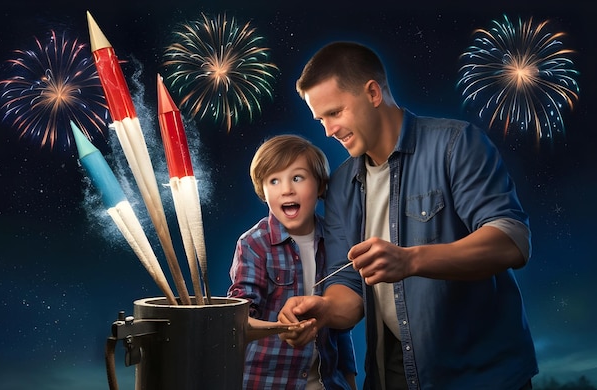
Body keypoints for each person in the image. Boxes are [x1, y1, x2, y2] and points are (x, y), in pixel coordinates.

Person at [277, 41, 538, 389]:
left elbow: (511, 241)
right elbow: (350, 289)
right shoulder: (340, 185)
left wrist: (411, 260)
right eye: (320, 119)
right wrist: (322, 311)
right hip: (394, 374)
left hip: (482, 375)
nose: (328, 130)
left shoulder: (456, 145)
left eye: (335, 113)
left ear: (372, 93)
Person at [227, 134, 357, 389]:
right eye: (274, 180)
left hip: (325, 382)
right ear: (262, 191)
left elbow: (339, 323)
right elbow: (239, 318)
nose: (286, 189)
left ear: (320, 186)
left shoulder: (335, 239)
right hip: (267, 382)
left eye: (297, 178)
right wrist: (280, 329)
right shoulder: (253, 244)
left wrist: (349, 381)